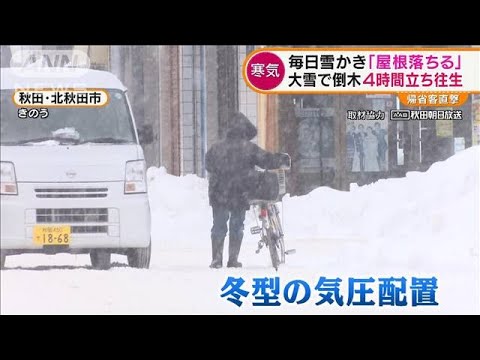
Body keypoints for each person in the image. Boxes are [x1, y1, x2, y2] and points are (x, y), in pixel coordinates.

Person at [205, 112, 290, 269]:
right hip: (239, 191)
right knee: (237, 225)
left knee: (219, 225)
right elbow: (267, 160)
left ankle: (216, 259)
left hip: (219, 192)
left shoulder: (216, 148)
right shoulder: (248, 148)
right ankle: (233, 259)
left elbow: (208, 166)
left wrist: (223, 172)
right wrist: (282, 159)